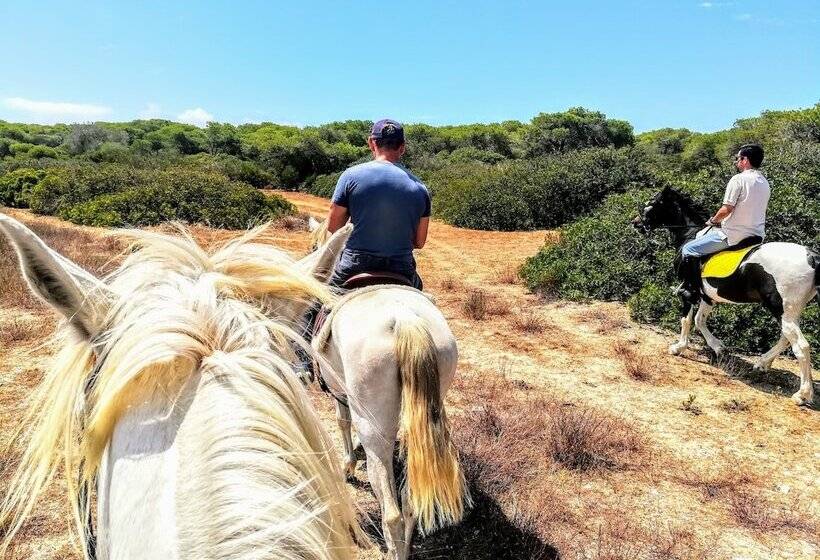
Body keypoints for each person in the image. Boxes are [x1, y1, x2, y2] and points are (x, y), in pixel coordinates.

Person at [325, 118, 430, 290]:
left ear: (371, 143)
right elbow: (419, 242)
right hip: (401, 268)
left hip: (354, 264)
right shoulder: (420, 188)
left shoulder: (350, 177)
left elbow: (333, 227)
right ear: (402, 147)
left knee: (316, 303)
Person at [677, 143, 770, 303]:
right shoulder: (765, 182)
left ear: (745, 160)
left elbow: (727, 209)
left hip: (733, 235)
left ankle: (691, 290)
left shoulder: (738, 179)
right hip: (756, 236)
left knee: (688, 249)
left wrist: (713, 221)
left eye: (738, 159)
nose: (736, 162)